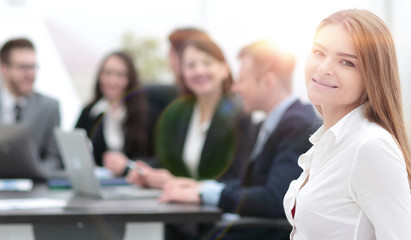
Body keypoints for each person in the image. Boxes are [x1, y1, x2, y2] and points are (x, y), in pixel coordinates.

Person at [156, 40, 320, 239]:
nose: (235, 88)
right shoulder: (276, 122)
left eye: (242, 80)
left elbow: (275, 199)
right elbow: (253, 187)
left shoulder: (296, 124)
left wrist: (203, 194)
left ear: (268, 82)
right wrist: (201, 187)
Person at [283, 9, 411, 240]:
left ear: (373, 75)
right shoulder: (326, 142)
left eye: (346, 62)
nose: (323, 68)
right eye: (319, 52)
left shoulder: (370, 146)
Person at [127, 37, 249, 188]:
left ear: (224, 69)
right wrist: (146, 173)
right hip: (182, 205)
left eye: (207, 63)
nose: (199, 71)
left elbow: (238, 180)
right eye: (191, 65)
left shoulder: (240, 115)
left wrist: (182, 184)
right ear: (183, 74)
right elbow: (168, 162)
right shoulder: (182, 114)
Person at [75, 51, 151, 176]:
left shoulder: (145, 114)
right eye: (108, 73)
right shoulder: (89, 113)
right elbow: (75, 152)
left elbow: (157, 160)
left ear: (130, 80)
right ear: (100, 76)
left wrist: (128, 166)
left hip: (135, 185)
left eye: (120, 75)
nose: (112, 81)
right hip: (100, 184)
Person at [0, 38, 62, 173]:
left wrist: (34, 173)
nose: (30, 74)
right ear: (4, 68)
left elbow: (54, 160)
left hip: (33, 187)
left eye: (33, 67)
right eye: (23, 67)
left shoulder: (49, 108)